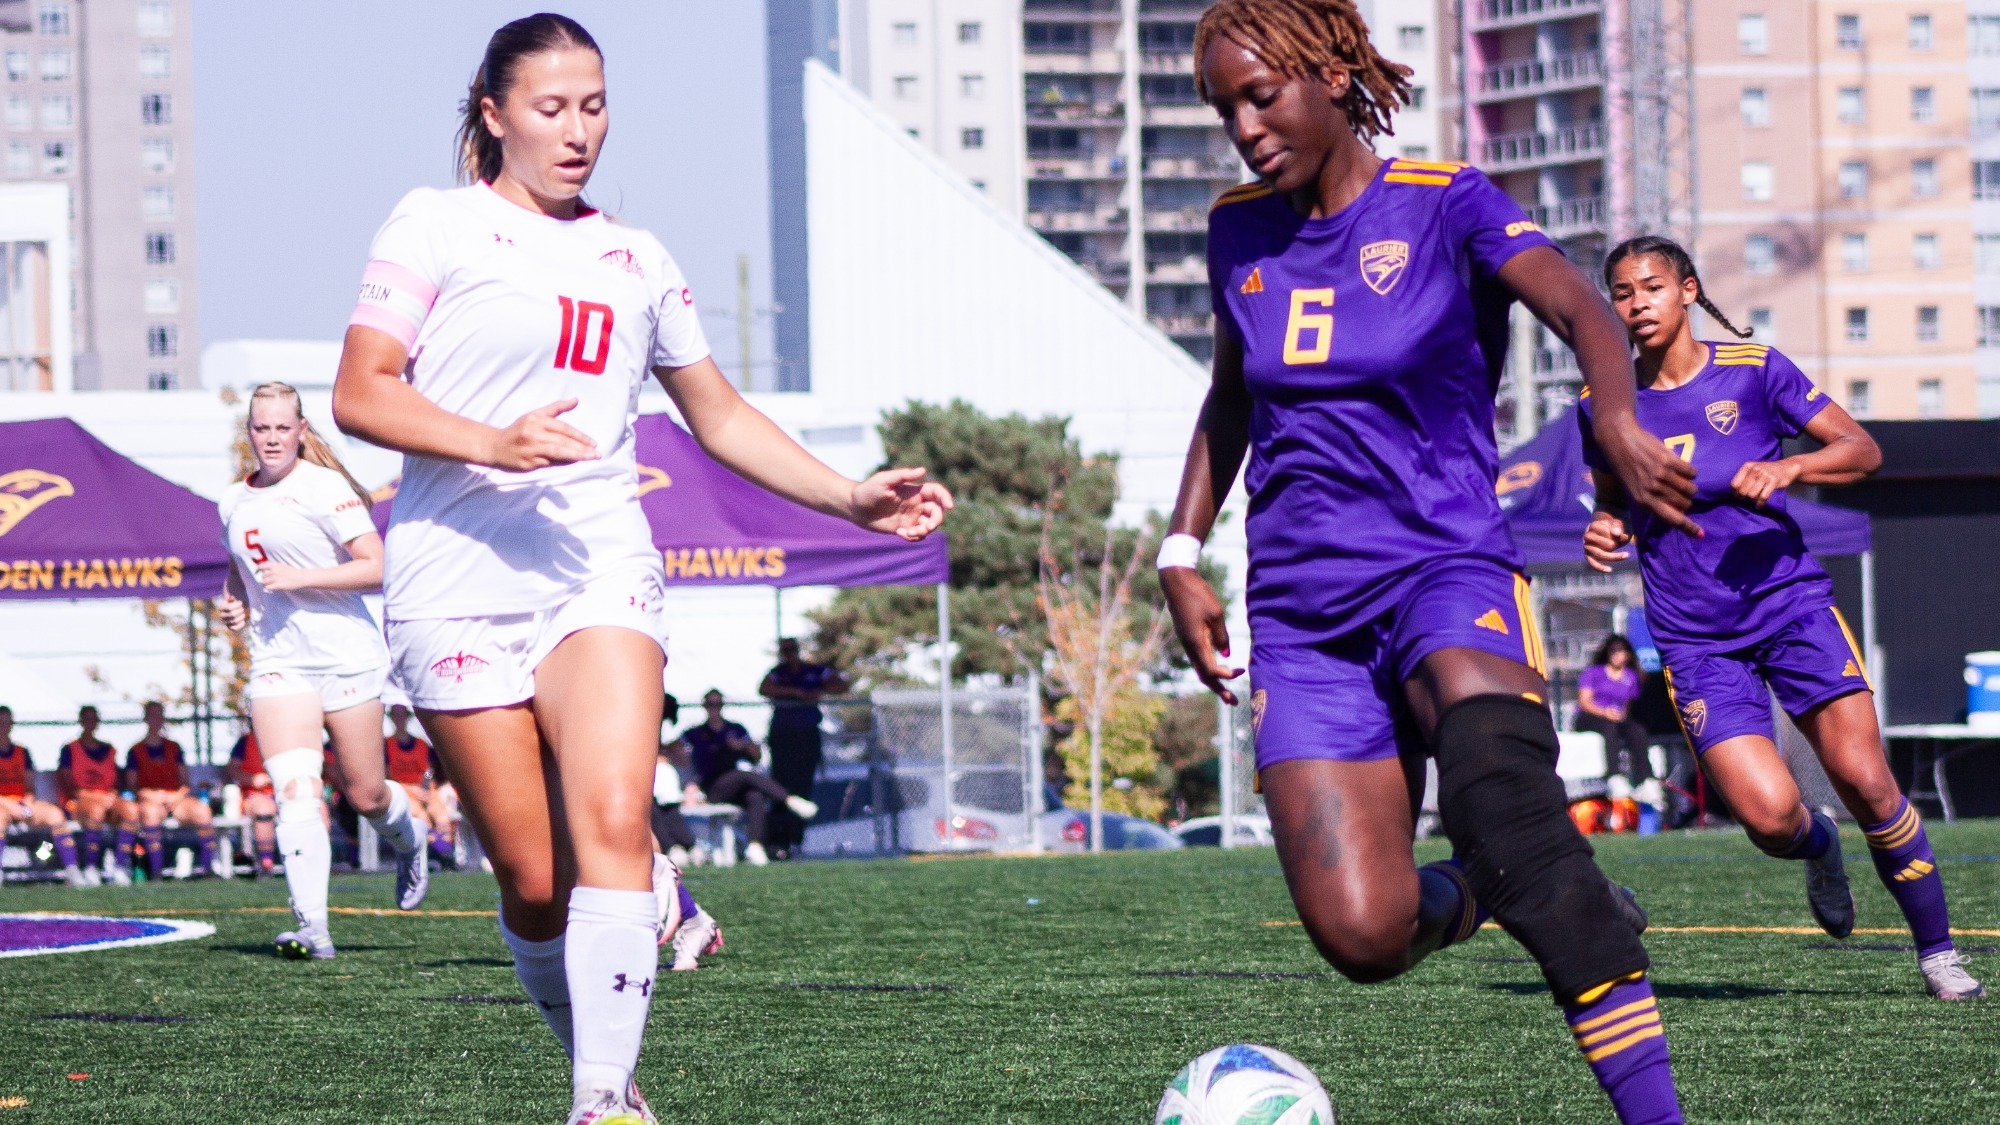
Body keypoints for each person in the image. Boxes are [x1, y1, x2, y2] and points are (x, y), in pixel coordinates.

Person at [328, 16, 949, 1122]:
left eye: (594, 105)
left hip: (595, 562)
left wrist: (850, 496)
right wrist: (489, 439)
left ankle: (601, 1100)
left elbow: (719, 416)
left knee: (614, 817)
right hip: (453, 574)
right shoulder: (434, 225)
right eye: (551, 108)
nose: (577, 131)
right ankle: (604, 1064)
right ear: (495, 114)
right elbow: (361, 392)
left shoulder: (639, 256)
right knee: (531, 884)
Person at [1159, 4, 1701, 1120]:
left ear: (1329, 71)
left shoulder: (1447, 201)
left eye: (1262, 95)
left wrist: (1613, 417)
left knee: (1501, 800)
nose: (1244, 127)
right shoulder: (1235, 231)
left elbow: (1581, 310)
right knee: (1363, 936)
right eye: (1225, 110)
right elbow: (1229, 398)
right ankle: (1505, 888)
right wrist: (1179, 548)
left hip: (1443, 569)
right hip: (1304, 622)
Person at [1584, 234, 1983, 1001]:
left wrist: (1793, 465)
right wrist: (1607, 524)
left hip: (1792, 607)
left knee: (1868, 781)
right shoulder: (1605, 406)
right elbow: (1613, 498)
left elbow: (1861, 450)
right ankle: (1818, 845)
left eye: (1652, 287)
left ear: (1689, 291)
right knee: (1770, 820)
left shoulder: (1756, 368)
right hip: (1697, 639)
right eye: (1624, 293)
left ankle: (1938, 955)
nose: (1637, 304)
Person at [217, 380, 430, 960]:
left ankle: (411, 841)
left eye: (283, 427)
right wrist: (233, 603)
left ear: (301, 431)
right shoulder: (232, 500)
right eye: (262, 428)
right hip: (278, 661)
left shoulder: (325, 487)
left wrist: (303, 579)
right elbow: (241, 572)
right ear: (250, 434)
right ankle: (312, 926)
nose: (272, 438)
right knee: (295, 791)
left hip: (347, 656)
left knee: (364, 794)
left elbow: (377, 567)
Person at [684, 690, 815, 867]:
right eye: (710, 704)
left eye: (718, 704)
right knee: (744, 775)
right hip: (712, 786)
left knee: (755, 795)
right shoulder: (695, 733)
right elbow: (677, 753)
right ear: (704, 706)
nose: (714, 708)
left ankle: (755, 845)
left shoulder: (735, 729)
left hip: (737, 786)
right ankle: (789, 799)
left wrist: (742, 746)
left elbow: (757, 755)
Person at [757, 638, 847, 858]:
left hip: (807, 736)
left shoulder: (814, 671)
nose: (789, 655)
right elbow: (765, 688)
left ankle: (796, 840)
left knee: (803, 788)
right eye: (785, 651)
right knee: (781, 787)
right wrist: (796, 692)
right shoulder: (778, 673)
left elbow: (841, 685)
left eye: (792, 650)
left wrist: (817, 690)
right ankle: (778, 841)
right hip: (783, 736)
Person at [125, 700, 220, 880]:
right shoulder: (135, 751)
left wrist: (176, 795)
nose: (156, 719)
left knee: (203, 812)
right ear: (146, 718)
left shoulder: (174, 747)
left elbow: (185, 783)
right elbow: (132, 785)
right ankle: (156, 871)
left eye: (159, 714)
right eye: (152, 714)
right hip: (151, 799)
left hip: (176, 799)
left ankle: (209, 869)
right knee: (151, 815)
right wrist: (151, 795)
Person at [0, 705, 85, 885]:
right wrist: (9, 805)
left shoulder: (22, 752)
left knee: (55, 816)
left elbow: (29, 786)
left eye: (7, 722)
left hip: (21, 804)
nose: (3, 726)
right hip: (3, 806)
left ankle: (67, 866)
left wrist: (27, 802)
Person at [57, 706, 136, 886]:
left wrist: (111, 797)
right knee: (95, 812)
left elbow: (115, 783)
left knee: (131, 811)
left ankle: (120, 867)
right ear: (81, 721)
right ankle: (91, 867)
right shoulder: (70, 750)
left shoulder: (109, 749)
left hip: (107, 799)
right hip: (80, 802)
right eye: (87, 718)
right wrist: (97, 798)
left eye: (94, 718)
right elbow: (72, 786)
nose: (90, 722)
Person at [1575, 636, 1657, 791]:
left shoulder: (1630, 677)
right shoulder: (1593, 673)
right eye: (1614, 651)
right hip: (1591, 717)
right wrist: (1605, 712)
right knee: (1608, 729)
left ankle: (1646, 779)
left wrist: (1620, 717)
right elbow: (1584, 702)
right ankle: (1614, 776)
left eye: (1621, 651)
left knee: (1637, 731)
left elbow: (1627, 705)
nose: (1617, 654)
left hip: (1616, 718)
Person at [385, 703, 457, 868]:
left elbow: (428, 770)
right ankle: (435, 854)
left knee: (442, 817)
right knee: (421, 817)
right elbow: (388, 775)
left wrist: (425, 786)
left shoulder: (421, 744)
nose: (400, 719)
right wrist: (411, 789)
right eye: (396, 715)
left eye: (402, 714)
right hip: (402, 790)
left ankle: (447, 855)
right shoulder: (387, 745)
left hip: (424, 789)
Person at [226, 728, 282, 875]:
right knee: (264, 809)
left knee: (319, 807)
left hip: (285, 793)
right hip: (254, 795)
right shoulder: (244, 742)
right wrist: (252, 779)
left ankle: (313, 862)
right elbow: (232, 770)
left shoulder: (287, 739)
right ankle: (266, 864)